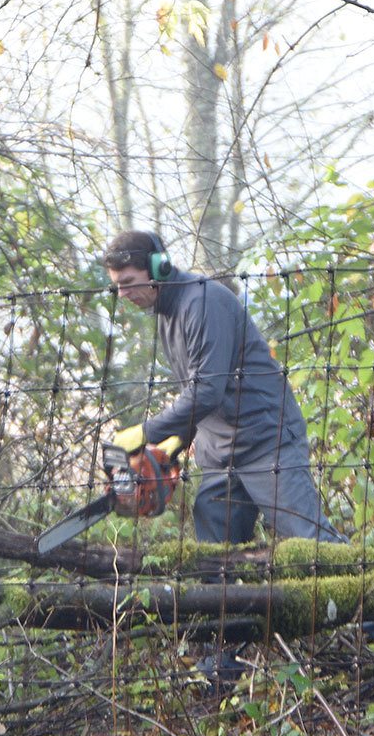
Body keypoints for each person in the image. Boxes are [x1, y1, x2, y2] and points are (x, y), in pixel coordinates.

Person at [102, 229, 346, 549]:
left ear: (158, 268)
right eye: (117, 284)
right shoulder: (167, 313)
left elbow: (207, 390)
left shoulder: (202, 301)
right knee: (215, 557)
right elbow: (196, 388)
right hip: (220, 454)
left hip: (265, 442)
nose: (122, 293)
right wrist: (176, 442)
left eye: (128, 282)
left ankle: (367, 592)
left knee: (313, 545)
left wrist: (147, 432)